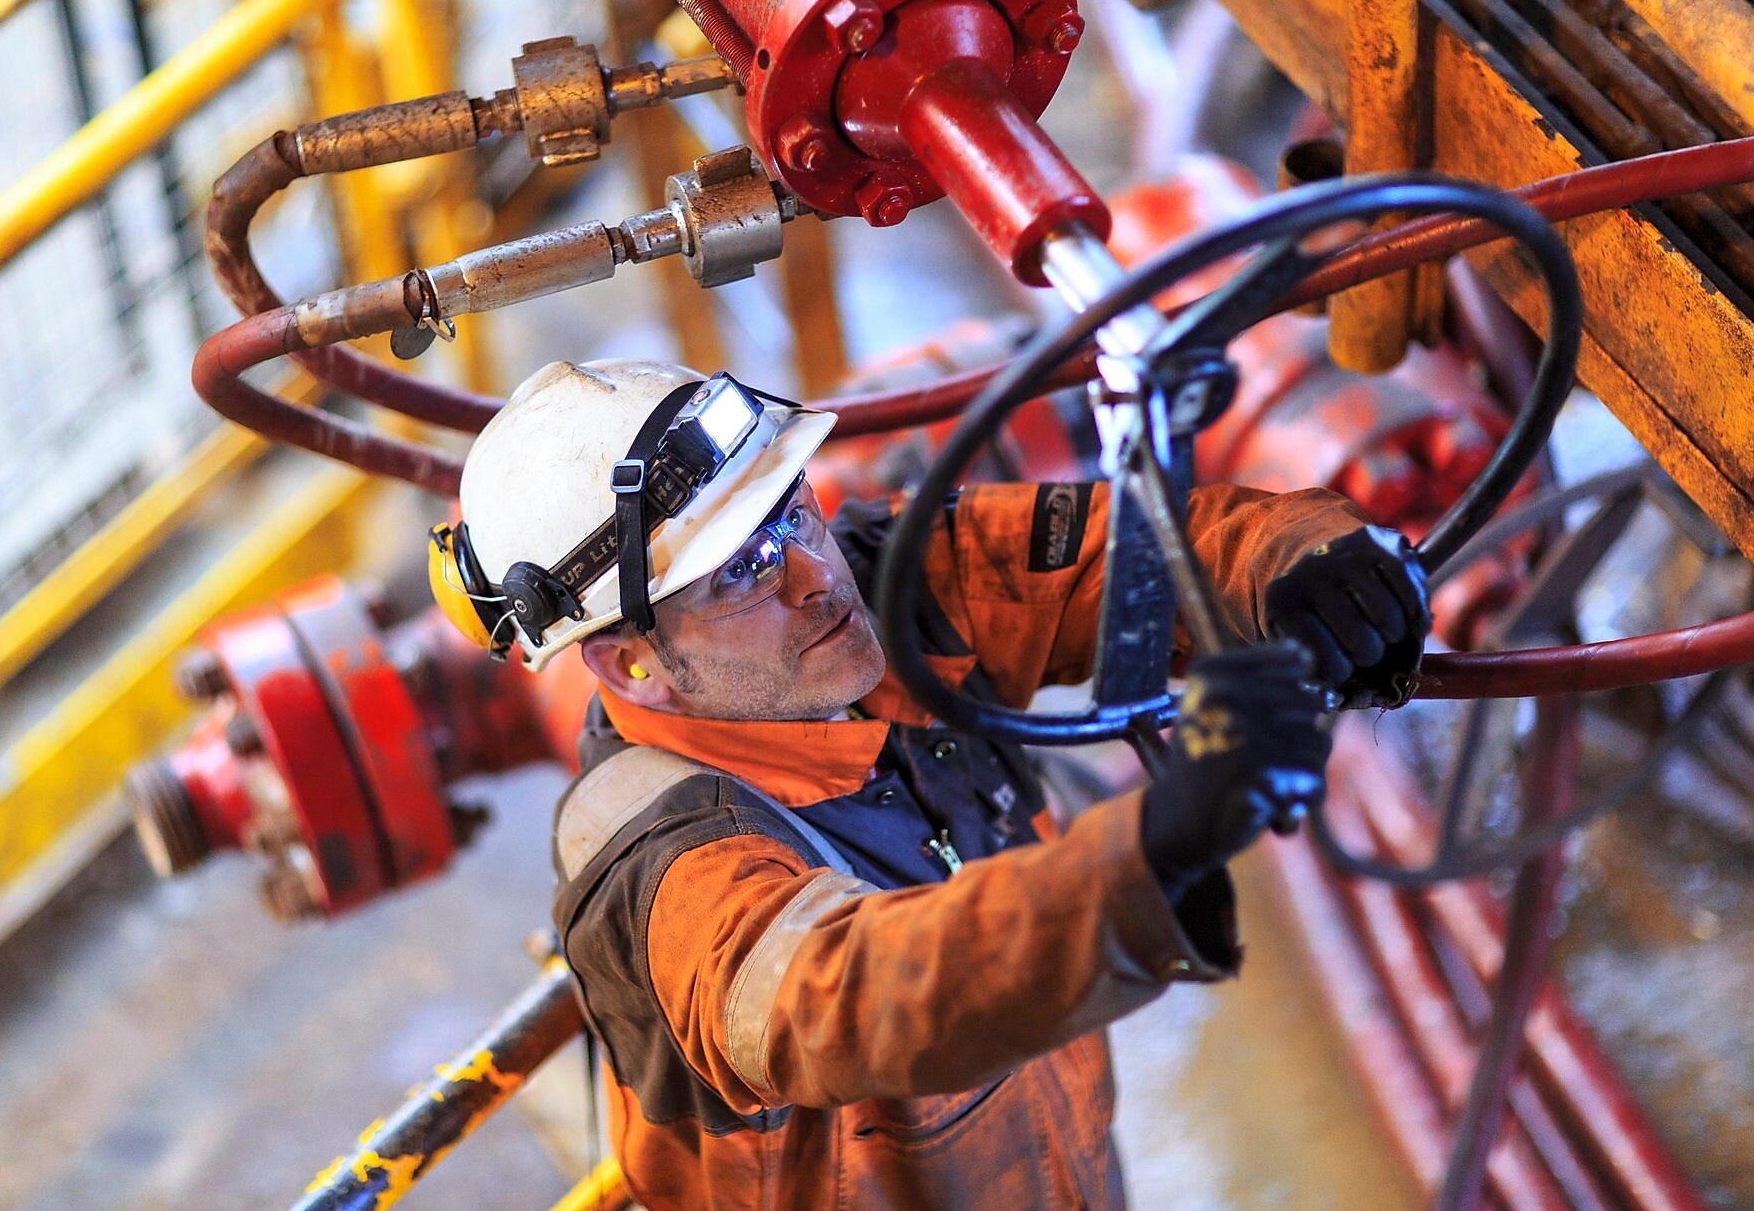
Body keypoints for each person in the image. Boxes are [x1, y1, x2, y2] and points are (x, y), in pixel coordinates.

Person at [430, 358, 1429, 1209]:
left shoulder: (873, 585)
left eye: (795, 514)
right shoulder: (664, 866)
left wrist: (1296, 560)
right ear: (630, 666)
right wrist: (1160, 839)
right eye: (742, 573)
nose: (815, 577)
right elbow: (857, 993)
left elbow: (1119, 555)